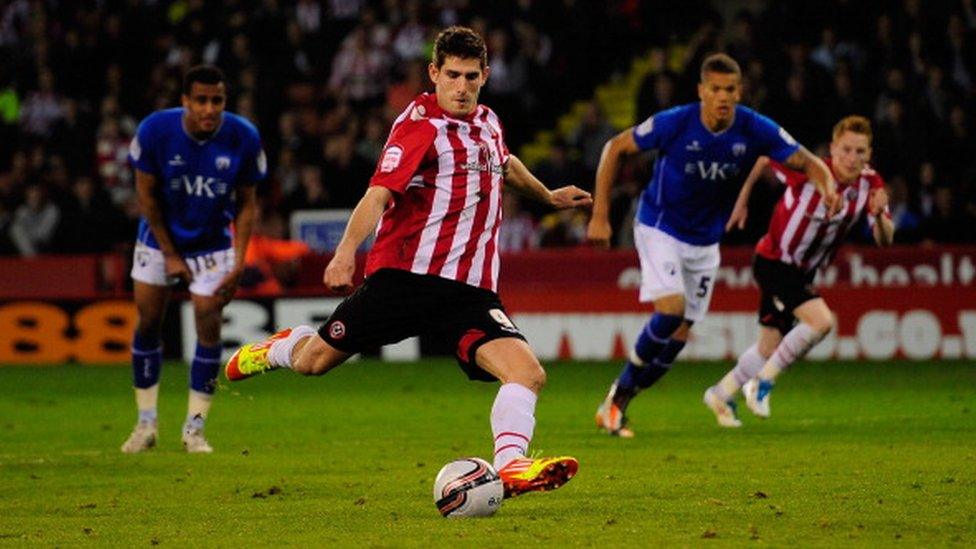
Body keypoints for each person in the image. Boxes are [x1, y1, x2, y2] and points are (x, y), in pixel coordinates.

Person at [224, 26, 590, 497]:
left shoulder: (488, 121)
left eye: (471, 77)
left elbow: (503, 160)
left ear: (486, 76)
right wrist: (343, 254)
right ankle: (279, 347)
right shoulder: (419, 126)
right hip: (405, 280)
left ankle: (513, 465)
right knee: (315, 362)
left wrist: (547, 197)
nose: (461, 87)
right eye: (452, 75)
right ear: (434, 73)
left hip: (468, 291)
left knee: (528, 373)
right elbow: (378, 194)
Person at [589, 53, 841, 438]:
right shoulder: (677, 121)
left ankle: (617, 403)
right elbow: (615, 147)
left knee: (677, 339)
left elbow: (809, 161)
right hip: (660, 225)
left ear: (739, 92)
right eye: (715, 89)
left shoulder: (754, 128)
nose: (722, 97)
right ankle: (618, 399)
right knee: (670, 310)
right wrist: (600, 215)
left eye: (730, 90)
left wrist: (827, 187)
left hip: (705, 243)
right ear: (701, 91)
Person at [704, 115, 893, 425]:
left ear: (869, 154)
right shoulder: (808, 168)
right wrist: (742, 200)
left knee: (769, 345)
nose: (852, 158)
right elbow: (764, 155)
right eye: (846, 149)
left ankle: (720, 394)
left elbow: (884, 240)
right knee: (821, 322)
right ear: (833, 148)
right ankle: (762, 383)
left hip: (802, 272)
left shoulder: (871, 184)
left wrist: (880, 217)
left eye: (860, 152)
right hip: (773, 261)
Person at [121, 65, 266, 453]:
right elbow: (146, 197)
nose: (209, 108)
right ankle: (146, 423)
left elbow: (248, 204)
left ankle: (194, 428)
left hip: (213, 244)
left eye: (216, 100)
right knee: (149, 320)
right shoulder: (155, 131)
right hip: (157, 241)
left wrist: (239, 262)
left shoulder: (243, 137)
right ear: (185, 101)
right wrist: (169, 255)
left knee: (208, 318)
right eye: (200, 100)